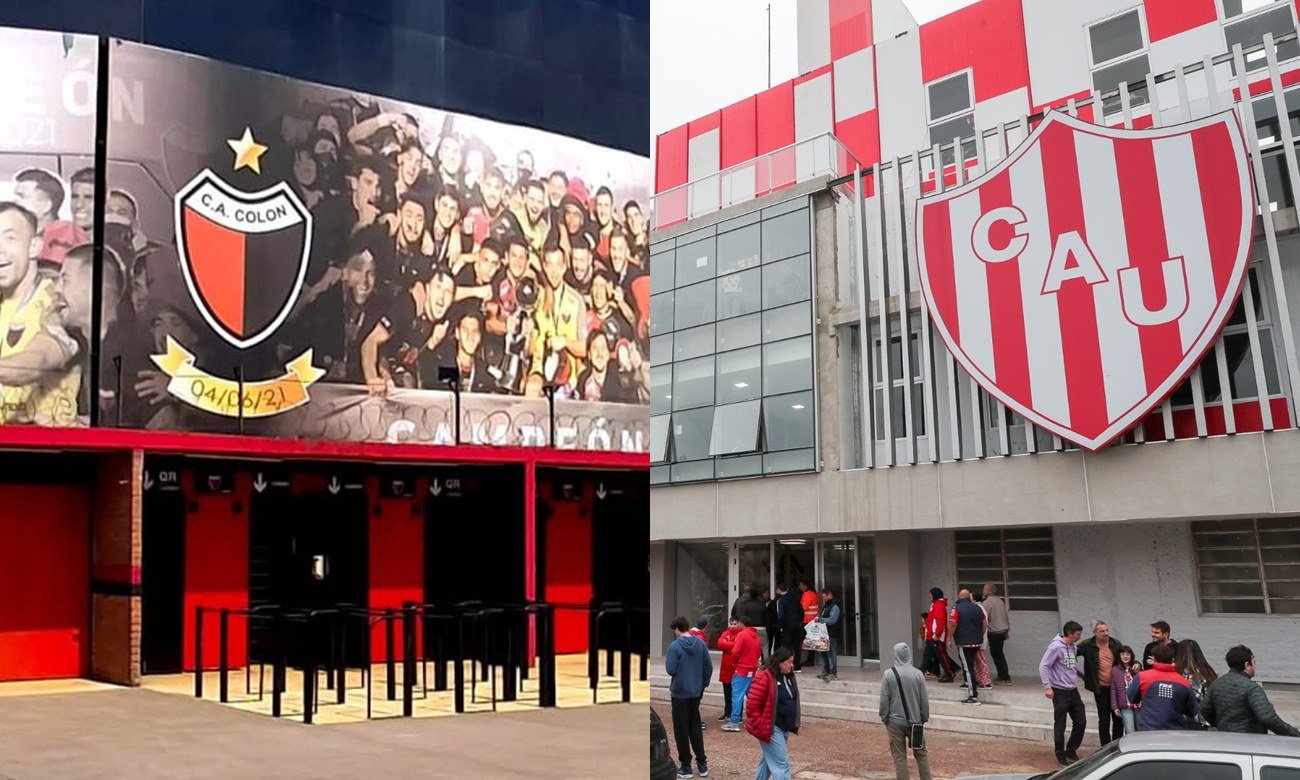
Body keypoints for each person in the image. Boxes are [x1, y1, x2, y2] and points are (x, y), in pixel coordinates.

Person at [0, 202, 81, 426]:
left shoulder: (57, 299)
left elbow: (39, 359)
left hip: (47, 450)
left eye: (10, 238)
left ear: (34, 247)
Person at [1201, 645, 1300, 736]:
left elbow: (1205, 709)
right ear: (1247, 665)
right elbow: (1268, 718)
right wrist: (1294, 734)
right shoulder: (1252, 688)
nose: (1255, 666)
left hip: (1225, 739)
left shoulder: (1217, 684)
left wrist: (1221, 724)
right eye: (1254, 663)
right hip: (1250, 743)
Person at [665, 616, 711, 780]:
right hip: (695, 692)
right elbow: (708, 666)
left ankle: (686, 766)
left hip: (679, 693)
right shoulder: (700, 643)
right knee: (695, 727)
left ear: (677, 629)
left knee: (681, 730)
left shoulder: (675, 646)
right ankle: (702, 763)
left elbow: (670, 669)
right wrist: (702, 684)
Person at [745, 647, 800, 780]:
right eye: (789, 662)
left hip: (784, 726)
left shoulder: (789, 676)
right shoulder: (765, 676)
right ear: (780, 662)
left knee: (768, 762)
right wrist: (761, 725)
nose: (792, 665)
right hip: (772, 728)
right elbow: (752, 705)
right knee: (782, 765)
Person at [880, 642, 932, 780]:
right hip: (916, 722)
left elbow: (884, 700)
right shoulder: (918, 674)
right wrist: (923, 718)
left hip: (894, 722)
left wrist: (884, 717)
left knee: (899, 758)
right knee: (921, 755)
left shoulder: (888, 674)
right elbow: (924, 700)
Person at [1040, 621, 1086, 766]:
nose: (1080, 637)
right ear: (1070, 633)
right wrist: (1048, 687)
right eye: (1078, 634)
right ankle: (1060, 754)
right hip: (1060, 691)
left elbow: (1069, 665)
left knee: (1081, 721)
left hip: (1073, 690)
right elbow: (1044, 666)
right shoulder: (1056, 647)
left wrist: (1081, 675)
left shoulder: (1072, 646)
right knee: (1060, 724)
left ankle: (1071, 750)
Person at [1127, 643, 1199, 731]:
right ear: (1173, 660)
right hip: (1175, 733)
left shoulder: (1142, 677)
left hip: (1147, 732)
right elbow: (1192, 711)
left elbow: (1131, 698)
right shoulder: (1184, 682)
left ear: (1153, 659)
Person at [1075, 620, 1124, 745]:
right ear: (1095, 632)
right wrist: (1077, 673)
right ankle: (1105, 748)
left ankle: (1116, 746)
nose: (1106, 633)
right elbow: (1071, 653)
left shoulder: (1115, 643)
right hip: (1100, 688)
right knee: (1104, 719)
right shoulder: (1087, 645)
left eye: (1107, 630)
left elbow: (1125, 657)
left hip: (1116, 688)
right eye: (1102, 631)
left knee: (1118, 718)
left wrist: (1136, 664)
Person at [722, 614, 761, 733]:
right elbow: (758, 652)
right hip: (752, 669)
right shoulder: (756, 636)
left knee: (737, 696)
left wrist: (735, 663)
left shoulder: (742, 635)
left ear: (742, 624)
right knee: (752, 696)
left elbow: (735, 652)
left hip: (742, 669)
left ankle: (734, 722)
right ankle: (756, 720)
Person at [948, 588, 985, 705]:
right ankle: (973, 690)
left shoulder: (956, 608)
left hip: (964, 643)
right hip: (977, 642)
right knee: (971, 667)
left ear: (959, 597)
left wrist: (948, 639)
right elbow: (985, 623)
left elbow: (953, 624)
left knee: (968, 669)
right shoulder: (977, 607)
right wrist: (980, 635)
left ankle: (973, 695)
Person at [1174, 639, 1218, 729]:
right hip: (1205, 721)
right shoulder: (1207, 672)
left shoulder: (1189, 674)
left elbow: (1192, 698)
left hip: (1191, 722)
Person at [922, 588, 956, 683]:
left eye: (930, 594)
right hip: (932, 635)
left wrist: (937, 634)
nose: (929, 596)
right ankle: (920, 672)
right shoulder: (936, 604)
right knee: (928, 655)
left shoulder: (939, 605)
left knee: (941, 656)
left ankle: (949, 674)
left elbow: (939, 621)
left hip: (936, 636)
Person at [981, 583, 1011, 685]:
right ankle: (1003, 675)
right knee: (999, 653)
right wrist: (1007, 631)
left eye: (984, 589)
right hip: (1002, 630)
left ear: (989, 591)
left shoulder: (987, 602)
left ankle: (1004, 677)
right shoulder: (1000, 601)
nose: (983, 591)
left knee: (997, 654)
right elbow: (1006, 616)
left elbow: (983, 618)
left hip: (994, 632)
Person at [716, 617, 743, 725]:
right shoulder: (725, 633)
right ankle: (727, 713)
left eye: (734, 624)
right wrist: (731, 645)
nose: (732, 626)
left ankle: (738, 715)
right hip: (725, 668)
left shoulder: (740, 635)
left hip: (735, 668)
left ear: (739, 624)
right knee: (727, 693)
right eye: (731, 623)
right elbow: (720, 644)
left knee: (736, 694)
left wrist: (727, 644)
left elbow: (737, 647)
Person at [1109, 646, 1141, 736]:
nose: (1125, 656)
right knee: (1129, 730)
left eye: (1128, 654)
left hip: (1138, 705)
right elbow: (1114, 689)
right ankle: (1131, 749)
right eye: (1123, 654)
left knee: (1140, 729)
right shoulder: (1115, 670)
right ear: (1119, 656)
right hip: (1125, 705)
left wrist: (1139, 666)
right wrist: (1115, 706)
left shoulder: (1136, 667)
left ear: (1131, 656)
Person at [816, 586, 841, 682]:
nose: (824, 598)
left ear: (830, 595)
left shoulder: (835, 606)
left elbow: (832, 620)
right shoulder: (827, 605)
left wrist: (820, 619)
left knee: (831, 653)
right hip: (824, 633)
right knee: (823, 652)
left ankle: (833, 673)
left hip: (832, 633)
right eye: (823, 596)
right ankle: (826, 671)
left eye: (825, 596)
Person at [797, 580, 818, 673]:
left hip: (807, 620)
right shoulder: (813, 594)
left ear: (805, 585)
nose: (799, 587)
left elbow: (804, 607)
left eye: (801, 585)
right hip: (811, 620)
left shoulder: (807, 594)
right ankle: (810, 660)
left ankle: (809, 660)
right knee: (811, 640)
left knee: (805, 640)